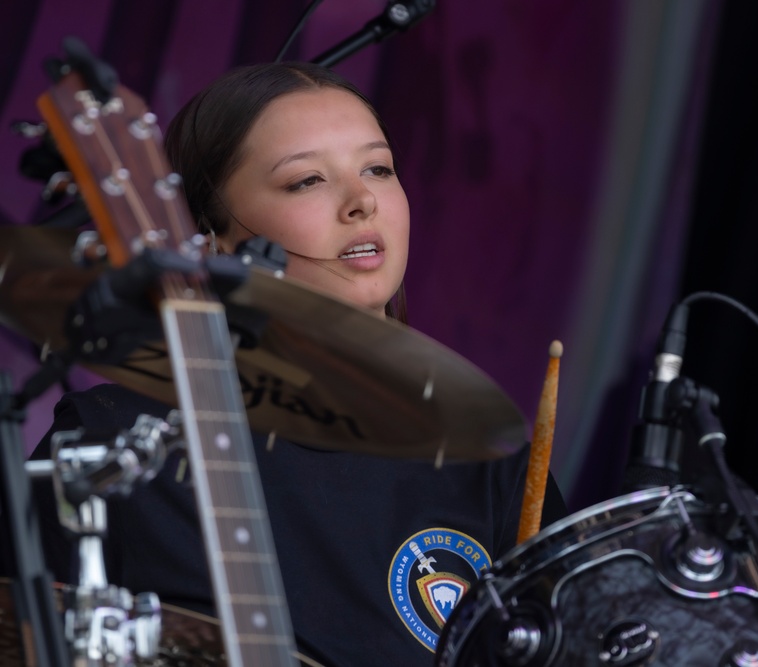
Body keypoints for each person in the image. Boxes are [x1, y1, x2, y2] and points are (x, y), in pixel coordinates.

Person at [31, 61, 567, 666]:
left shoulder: (484, 455)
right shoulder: (110, 445)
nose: (362, 200)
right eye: (307, 180)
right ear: (211, 237)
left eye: (379, 168)